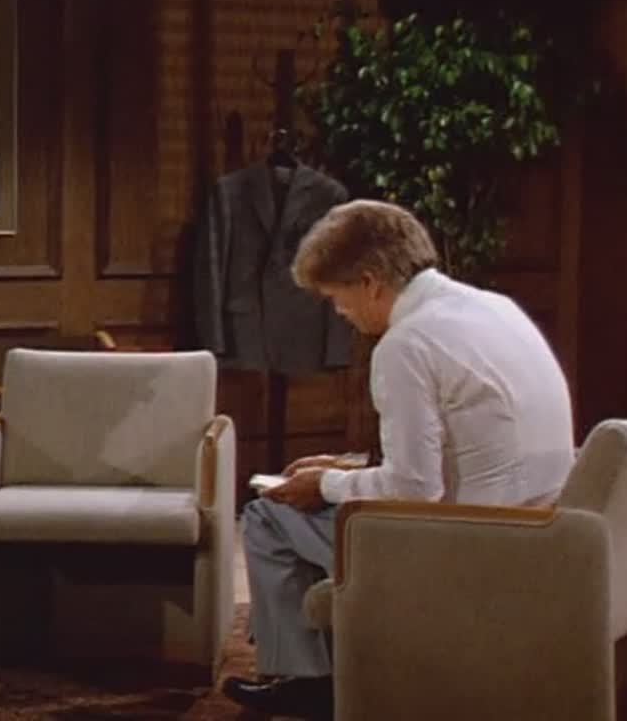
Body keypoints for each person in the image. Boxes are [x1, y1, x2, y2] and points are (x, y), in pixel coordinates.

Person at [222, 199, 575, 720]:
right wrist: (346, 470)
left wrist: (325, 485)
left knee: (267, 516)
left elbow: (415, 491)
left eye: (336, 297)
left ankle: (306, 683)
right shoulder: (494, 307)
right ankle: (344, 664)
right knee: (320, 504)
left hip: (474, 546)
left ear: (369, 283)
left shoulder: (405, 344)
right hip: (544, 527)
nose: (339, 313)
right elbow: (459, 449)